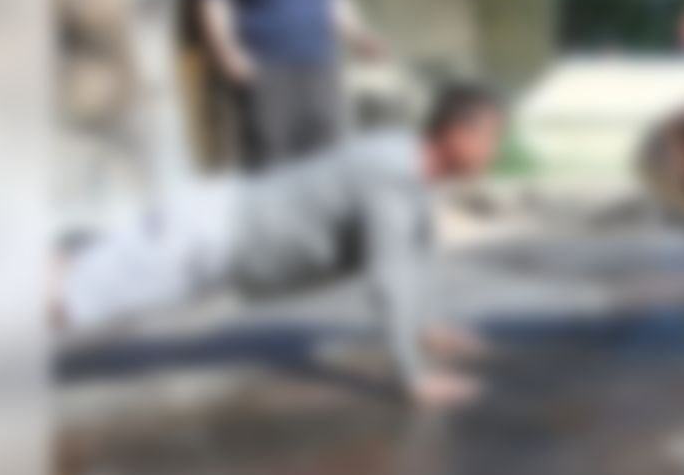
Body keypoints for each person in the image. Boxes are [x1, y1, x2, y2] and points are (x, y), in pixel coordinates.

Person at [53, 83, 504, 409]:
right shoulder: (393, 174)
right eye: (491, 138)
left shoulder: (411, 171)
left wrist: (426, 326)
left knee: (68, 280)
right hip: (208, 240)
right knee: (67, 299)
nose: (494, 151)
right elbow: (390, 279)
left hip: (216, 231)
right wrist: (415, 377)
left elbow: (415, 254)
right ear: (457, 136)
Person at [200, 0, 381, 171]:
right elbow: (214, 1)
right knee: (271, 160)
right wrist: (229, 54)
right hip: (267, 71)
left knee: (326, 156)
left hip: (319, 66)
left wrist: (359, 35)